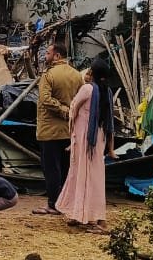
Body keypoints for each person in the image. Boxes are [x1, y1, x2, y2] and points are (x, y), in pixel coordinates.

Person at [56, 58, 116, 232]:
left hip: (85, 139)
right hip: (98, 138)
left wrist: (72, 133)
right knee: (92, 177)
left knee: (83, 176)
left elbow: (73, 108)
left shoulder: (87, 89)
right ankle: (79, 214)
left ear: (93, 73)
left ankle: (96, 219)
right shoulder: (107, 91)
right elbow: (109, 121)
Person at [32, 42, 83, 215]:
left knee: (51, 169)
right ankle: (66, 203)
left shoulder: (49, 75)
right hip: (69, 131)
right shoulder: (77, 75)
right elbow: (81, 100)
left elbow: (45, 99)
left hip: (49, 131)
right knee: (66, 169)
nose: (45, 56)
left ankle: (53, 204)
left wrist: (63, 110)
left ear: (57, 56)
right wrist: (71, 112)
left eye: (47, 53)